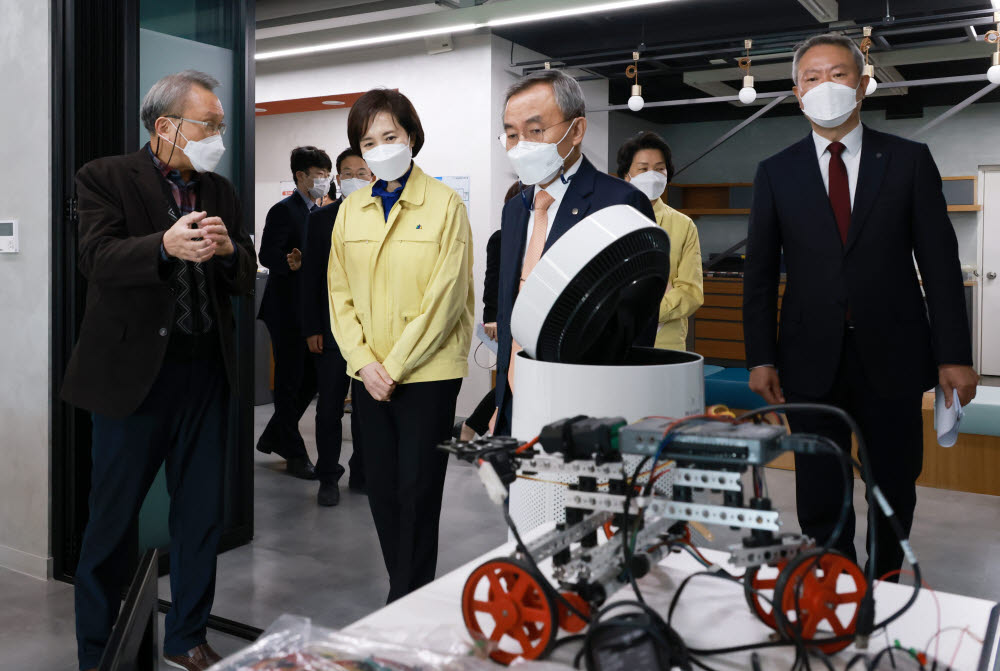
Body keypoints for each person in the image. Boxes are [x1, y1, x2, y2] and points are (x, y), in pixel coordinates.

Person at [742, 34, 978, 577]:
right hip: (806, 358)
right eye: (812, 78)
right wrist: (760, 357)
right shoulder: (776, 172)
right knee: (819, 481)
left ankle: (888, 575)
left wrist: (954, 354)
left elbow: (939, 265)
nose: (826, 86)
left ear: (863, 84)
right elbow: (758, 275)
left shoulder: (909, 161)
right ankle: (835, 576)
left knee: (893, 478)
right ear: (797, 92)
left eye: (839, 74)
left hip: (893, 351)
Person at [60, 70, 256, 671]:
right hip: (132, 380)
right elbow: (95, 258)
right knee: (111, 522)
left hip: (205, 374)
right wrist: (162, 247)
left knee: (200, 515)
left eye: (220, 126)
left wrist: (230, 254)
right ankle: (100, 650)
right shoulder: (105, 177)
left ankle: (187, 637)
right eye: (210, 125)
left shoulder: (219, 189)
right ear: (166, 126)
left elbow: (245, 273)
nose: (218, 136)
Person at [327, 88, 474, 602]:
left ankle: (407, 596)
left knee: (417, 490)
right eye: (369, 141)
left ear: (411, 136)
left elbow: (447, 297)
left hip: (427, 374)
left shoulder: (444, 205)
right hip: (369, 375)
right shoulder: (352, 211)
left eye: (390, 136)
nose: (381, 147)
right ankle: (403, 585)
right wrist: (365, 364)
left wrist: (394, 366)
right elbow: (338, 293)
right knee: (382, 490)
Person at [493, 69, 656, 436]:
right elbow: (510, 308)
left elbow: (635, 325)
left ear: (576, 130)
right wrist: (501, 400)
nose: (521, 145)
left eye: (535, 131)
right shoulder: (516, 208)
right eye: (512, 134)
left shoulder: (619, 203)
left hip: (586, 407)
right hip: (516, 401)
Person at [301, 148, 374, 505]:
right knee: (328, 406)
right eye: (348, 172)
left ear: (373, 175)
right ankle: (327, 476)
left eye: (362, 171)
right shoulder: (321, 219)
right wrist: (312, 326)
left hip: (372, 331)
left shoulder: (383, 216)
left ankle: (363, 470)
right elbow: (311, 276)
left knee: (366, 408)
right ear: (338, 178)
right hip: (330, 331)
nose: (355, 177)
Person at [257, 146, 333, 479]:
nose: (325, 180)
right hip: (286, 310)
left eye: (327, 174)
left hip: (312, 311)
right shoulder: (284, 211)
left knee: (311, 379)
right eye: (319, 174)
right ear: (300, 176)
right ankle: (294, 451)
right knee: (289, 382)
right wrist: (289, 262)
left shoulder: (322, 211)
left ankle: (276, 434)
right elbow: (267, 254)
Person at [618, 131, 704, 351]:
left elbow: (691, 292)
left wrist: (645, 312)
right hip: (615, 339)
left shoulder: (683, 225)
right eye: (643, 169)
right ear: (627, 174)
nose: (653, 175)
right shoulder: (609, 219)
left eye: (659, 169)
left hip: (666, 343)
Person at [455, 181, 522, 441]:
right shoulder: (501, 237)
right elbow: (491, 279)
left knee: (515, 380)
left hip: (535, 321)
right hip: (508, 321)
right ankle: (473, 426)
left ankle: (473, 427)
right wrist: (491, 318)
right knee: (510, 378)